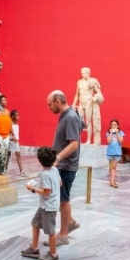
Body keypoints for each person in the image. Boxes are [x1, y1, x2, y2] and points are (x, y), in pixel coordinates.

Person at [47, 90, 81, 244]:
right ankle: (71, 222)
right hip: (62, 164)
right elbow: (83, 126)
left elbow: (74, 143)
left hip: (66, 165)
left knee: (64, 200)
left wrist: (58, 158)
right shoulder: (69, 115)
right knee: (61, 198)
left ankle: (63, 235)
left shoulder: (71, 116)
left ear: (58, 101)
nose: (49, 108)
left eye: (50, 104)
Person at [20, 146, 61, 260]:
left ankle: (53, 255)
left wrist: (32, 189)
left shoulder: (44, 174)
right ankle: (34, 248)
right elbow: (59, 183)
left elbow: (47, 192)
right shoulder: (54, 169)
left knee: (50, 231)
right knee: (35, 223)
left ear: (40, 160)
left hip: (49, 206)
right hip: (46, 205)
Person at [72, 67, 103, 145]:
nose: (82, 74)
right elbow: (77, 95)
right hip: (81, 104)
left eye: (84, 73)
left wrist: (95, 98)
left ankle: (88, 140)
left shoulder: (92, 81)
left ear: (88, 73)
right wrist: (73, 104)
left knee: (88, 122)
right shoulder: (79, 82)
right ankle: (77, 139)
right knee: (79, 122)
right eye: (81, 73)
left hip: (89, 103)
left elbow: (99, 93)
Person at [106, 119, 125, 188]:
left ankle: (112, 181)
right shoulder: (108, 133)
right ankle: (112, 181)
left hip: (117, 153)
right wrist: (111, 133)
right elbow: (108, 141)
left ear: (118, 126)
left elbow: (120, 141)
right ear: (110, 126)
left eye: (115, 125)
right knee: (111, 168)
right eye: (112, 125)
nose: (113, 126)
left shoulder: (121, 132)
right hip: (110, 153)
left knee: (114, 167)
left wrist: (117, 133)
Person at [9, 109, 23, 174]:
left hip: (15, 141)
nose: (18, 116)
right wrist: (12, 138)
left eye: (18, 115)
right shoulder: (10, 123)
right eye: (17, 115)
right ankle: (21, 171)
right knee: (17, 155)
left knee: (10, 155)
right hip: (12, 141)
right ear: (12, 116)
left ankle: (21, 171)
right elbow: (9, 131)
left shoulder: (16, 123)